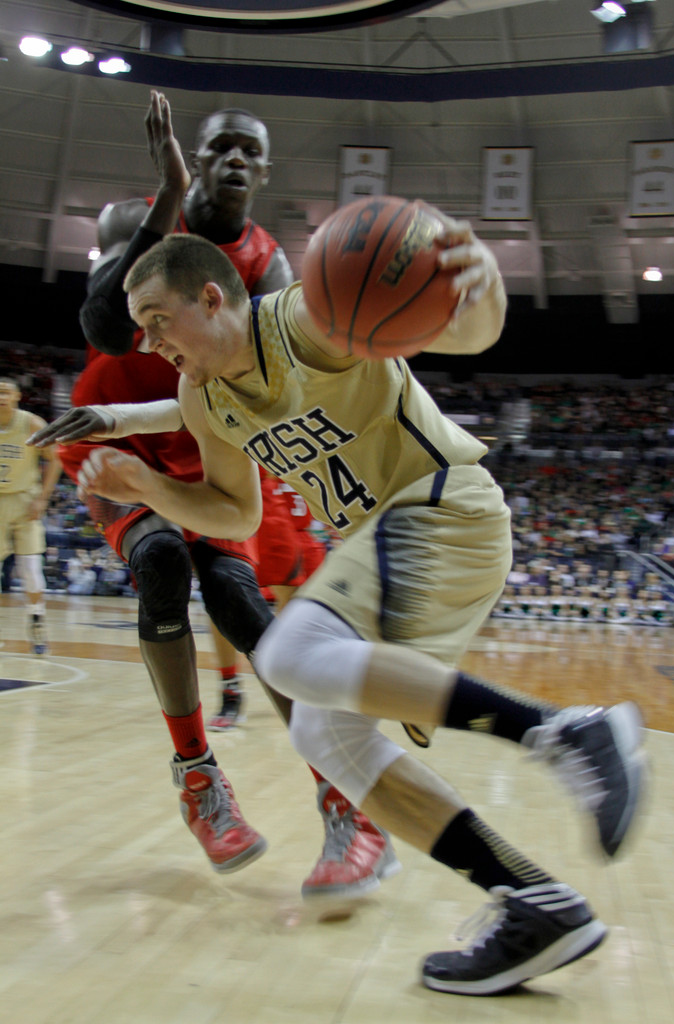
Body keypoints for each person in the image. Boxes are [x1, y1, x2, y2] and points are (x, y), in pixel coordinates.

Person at [32, 217, 646, 995]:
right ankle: (535, 900)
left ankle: (569, 733)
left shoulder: (300, 321)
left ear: (211, 297)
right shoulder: (204, 390)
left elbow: (464, 334)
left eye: (158, 322)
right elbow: (235, 514)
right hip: (393, 544)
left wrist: (482, 289)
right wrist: (150, 486)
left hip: (443, 506)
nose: (150, 343)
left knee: (288, 656)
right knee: (325, 734)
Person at [48, 91, 396, 897]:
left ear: (263, 171)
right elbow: (105, 330)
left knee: (243, 606)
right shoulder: (130, 221)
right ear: (194, 158)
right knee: (162, 559)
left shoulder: (268, 266)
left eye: (250, 150)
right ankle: (198, 777)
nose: (235, 160)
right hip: (112, 432)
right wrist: (166, 194)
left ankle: (344, 800)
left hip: (198, 435)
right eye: (220, 148)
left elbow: (277, 384)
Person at [0, 377, 62, 654]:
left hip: (25, 499)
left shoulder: (32, 424)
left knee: (31, 569)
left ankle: (37, 621)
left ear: (17, 397)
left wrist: (42, 498)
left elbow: (56, 458)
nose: (1, 396)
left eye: (6, 392)